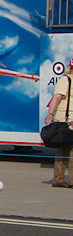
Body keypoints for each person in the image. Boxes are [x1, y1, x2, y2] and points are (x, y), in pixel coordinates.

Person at [45, 59, 73, 188]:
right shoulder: (66, 80)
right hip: (65, 121)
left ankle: (63, 179)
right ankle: (58, 179)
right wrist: (50, 114)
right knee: (64, 150)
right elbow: (56, 97)